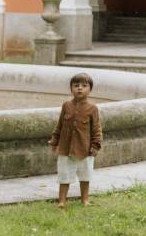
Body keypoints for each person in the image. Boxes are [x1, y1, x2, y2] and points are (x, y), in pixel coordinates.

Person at [49, 72, 102, 207]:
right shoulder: (66, 106)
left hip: (85, 149)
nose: (79, 88)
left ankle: (85, 199)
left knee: (85, 176)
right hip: (65, 149)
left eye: (84, 86)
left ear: (90, 89)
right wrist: (54, 141)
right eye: (76, 85)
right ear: (71, 88)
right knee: (64, 176)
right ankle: (62, 201)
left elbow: (96, 129)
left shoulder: (92, 109)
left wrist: (95, 145)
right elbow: (59, 125)